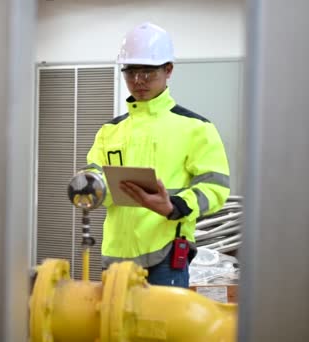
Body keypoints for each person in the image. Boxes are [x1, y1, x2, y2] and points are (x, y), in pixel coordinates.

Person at [85, 22, 230, 287]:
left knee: (162, 329)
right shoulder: (110, 131)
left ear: (168, 70)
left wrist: (175, 206)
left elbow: (215, 188)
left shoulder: (196, 128)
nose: (138, 81)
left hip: (165, 257)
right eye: (131, 72)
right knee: (115, 329)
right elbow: (95, 178)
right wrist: (89, 187)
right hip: (117, 256)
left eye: (148, 73)